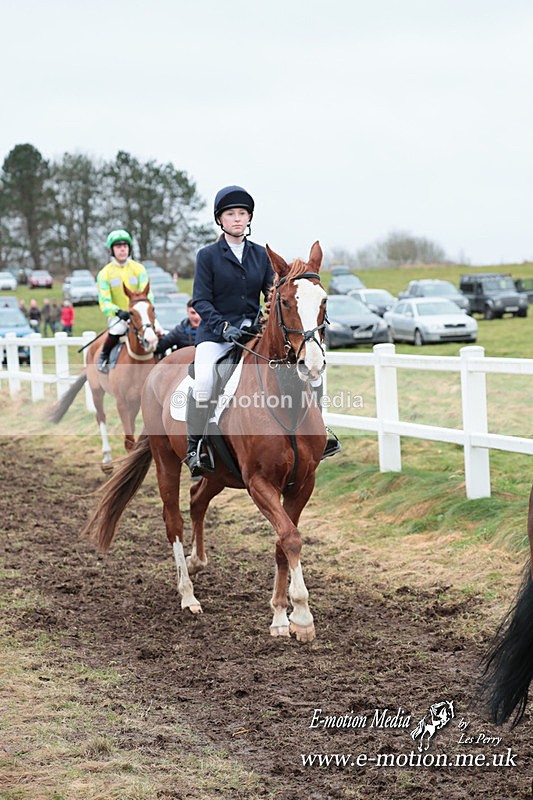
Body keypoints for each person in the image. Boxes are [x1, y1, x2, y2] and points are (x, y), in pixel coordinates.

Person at [186, 185, 274, 476]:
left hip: (252, 335)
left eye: (242, 213)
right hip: (215, 335)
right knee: (204, 382)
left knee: (291, 371)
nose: (237, 219)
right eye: (230, 214)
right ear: (220, 220)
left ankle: (315, 433)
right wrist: (223, 327)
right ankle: (196, 447)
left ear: (249, 218)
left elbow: (272, 295)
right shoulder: (208, 255)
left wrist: (264, 323)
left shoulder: (261, 255)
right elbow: (200, 299)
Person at [95, 229, 156, 372]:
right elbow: (104, 301)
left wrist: (146, 310)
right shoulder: (104, 273)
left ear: (129, 249)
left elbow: (149, 295)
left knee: (159, 332)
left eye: (125, 246)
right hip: (120, 317)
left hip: (142, 315)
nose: (122, 249)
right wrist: (117, 312)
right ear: (112, 250)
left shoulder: (139, 268)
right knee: (116, 330)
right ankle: (103, 357)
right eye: (118, 246)